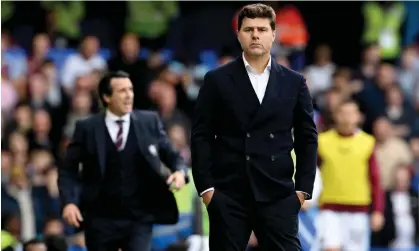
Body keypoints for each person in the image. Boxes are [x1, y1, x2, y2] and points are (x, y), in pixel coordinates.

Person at [191, 3, 318, 250]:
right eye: (248, 29)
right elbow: (201, 135)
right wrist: (207, 189)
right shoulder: (216, 80)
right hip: (228, 194)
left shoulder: (294, 82)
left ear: (274, 34)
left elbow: (307, 138)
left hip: (278, 194)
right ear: (238, 35)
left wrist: (302, 190)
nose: (255, 35)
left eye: (262, 29)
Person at [58, 71, 189, 251]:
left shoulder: (148, 121)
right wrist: (69, 202)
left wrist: (180, 172)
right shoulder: (87, 128)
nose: (129, 96)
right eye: (122, 91)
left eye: (131, 90)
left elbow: (172, 155)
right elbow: (68, 170)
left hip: (139, 217)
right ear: (106, 97)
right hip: (100, 219)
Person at [316, 100, 385, 251]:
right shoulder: (322, 141)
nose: (347, 117)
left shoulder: (368, 142)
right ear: (335, 115)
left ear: (358, 117)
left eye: (351, 113)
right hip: (329, 209)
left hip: (358, 210)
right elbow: (311, 174)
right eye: (343, 113)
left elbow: (375, 179)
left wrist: (378, 210)